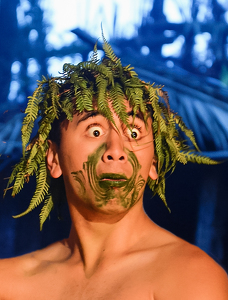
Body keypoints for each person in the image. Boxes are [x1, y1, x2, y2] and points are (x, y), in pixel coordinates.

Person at [1, 38, 228, 299]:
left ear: (153, 164)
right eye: (95, 130)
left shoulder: (189, 278)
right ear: (53, 158)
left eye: (133, 132)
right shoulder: (9, 284)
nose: (116, 151)